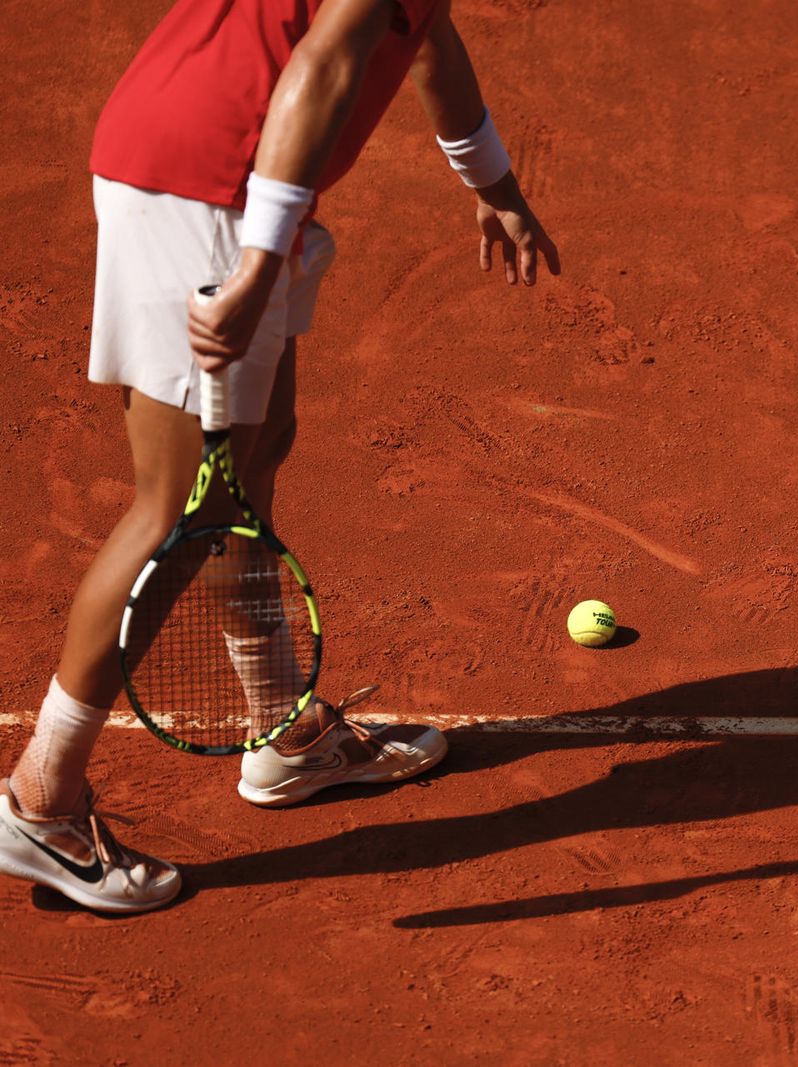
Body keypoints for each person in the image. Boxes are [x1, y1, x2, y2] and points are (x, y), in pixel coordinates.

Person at [0, 0, 559, 914]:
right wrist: (259, 266)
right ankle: (40, 799)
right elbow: (322, 64)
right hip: (209, 185)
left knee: (252, 468)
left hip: (219, 170)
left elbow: (427, 38)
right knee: (178, 509)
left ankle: (283, 732)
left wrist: (490, 179)